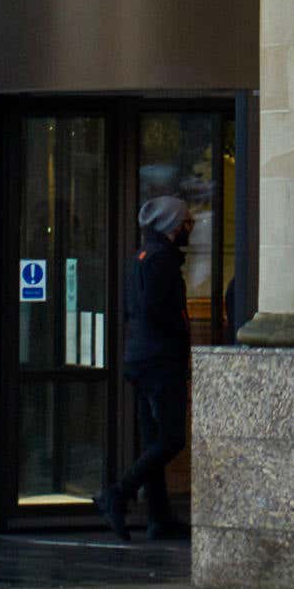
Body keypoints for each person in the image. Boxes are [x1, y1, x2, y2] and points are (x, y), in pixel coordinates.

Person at [96, 195, 194, 543]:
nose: (190, 229)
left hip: (140, 358)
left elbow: (133, 311)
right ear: (171, 226)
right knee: (171, 438)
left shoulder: (139, 259)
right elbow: (161, 312)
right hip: (160, 359)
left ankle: (158, 516)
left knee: (154, 438)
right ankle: (119, 494)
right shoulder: (161, 262)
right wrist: (181, 336)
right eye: (186, 223)